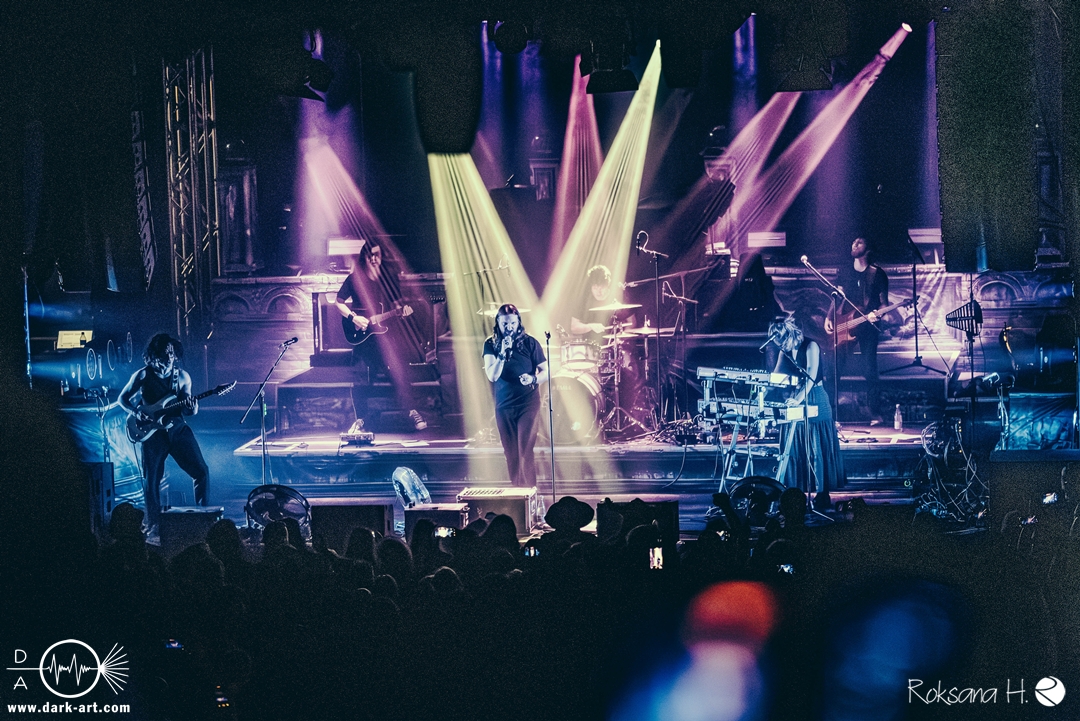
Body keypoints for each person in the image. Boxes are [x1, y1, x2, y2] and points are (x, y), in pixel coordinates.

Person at [118, 333, 209, 537]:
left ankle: (204, 519)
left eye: (172, 353)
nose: (170, 357)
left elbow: (187, 410)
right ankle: (154, 525)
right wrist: (136, 411)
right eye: (165, 353)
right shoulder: (143, 375)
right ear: (155, 355)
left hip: (176, 429)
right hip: (152, 434)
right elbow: (122, 398)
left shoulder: (182, 377)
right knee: (151, 480)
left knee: (202, 471)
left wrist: (193, 407)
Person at [334, 240, 426, 431]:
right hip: (363, 339)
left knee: (399, 373)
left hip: (386, 338)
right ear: (364, 257)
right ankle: (359, 420)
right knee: (361, 378)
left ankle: (412, 412)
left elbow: (398, 304)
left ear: (382, 257)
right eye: (370, 255)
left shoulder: (389, 279)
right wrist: (354, 318)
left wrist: (403, 311)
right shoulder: (355, 279)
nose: (374, 258)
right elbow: (339, 302)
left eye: (377, 254)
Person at [770, 316, 844, 493]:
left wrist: (798, 399)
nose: (782, 347)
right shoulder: (785, 350)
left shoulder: (811, 346)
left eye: (783, 342)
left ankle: (821, 492)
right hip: (796, 395)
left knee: (816, 446)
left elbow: (811, 376)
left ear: (790, 335)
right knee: (796, 443)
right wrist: (761, 388)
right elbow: (776, 376)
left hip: (815, 396)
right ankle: (798, 490)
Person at [483, 304, 548, 487]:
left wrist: (533, 379)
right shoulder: (490, 344)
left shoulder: (530, 343)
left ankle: (530, 492)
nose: (509, 327)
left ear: (519, 322)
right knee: (510, 452)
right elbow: (492, 375)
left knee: (525, 449)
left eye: (512, 323)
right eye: (505, 324)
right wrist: (502, 354)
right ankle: (518, 491)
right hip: (504, 405)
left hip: (528, 404)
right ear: (498, 323)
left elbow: (546, 371)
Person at [829, 236, 889, 424]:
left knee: (870, 368)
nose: (854, 244)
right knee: (835, 367)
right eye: (853, 242)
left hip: (868, 326)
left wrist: (878, 314)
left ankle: (875, 413)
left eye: (859, 242)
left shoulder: (877, 274)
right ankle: (830, 413)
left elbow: (884, 304)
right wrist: (829, 317)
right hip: (845, 323)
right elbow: (837, 297)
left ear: (868, 249)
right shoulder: (845, 271)